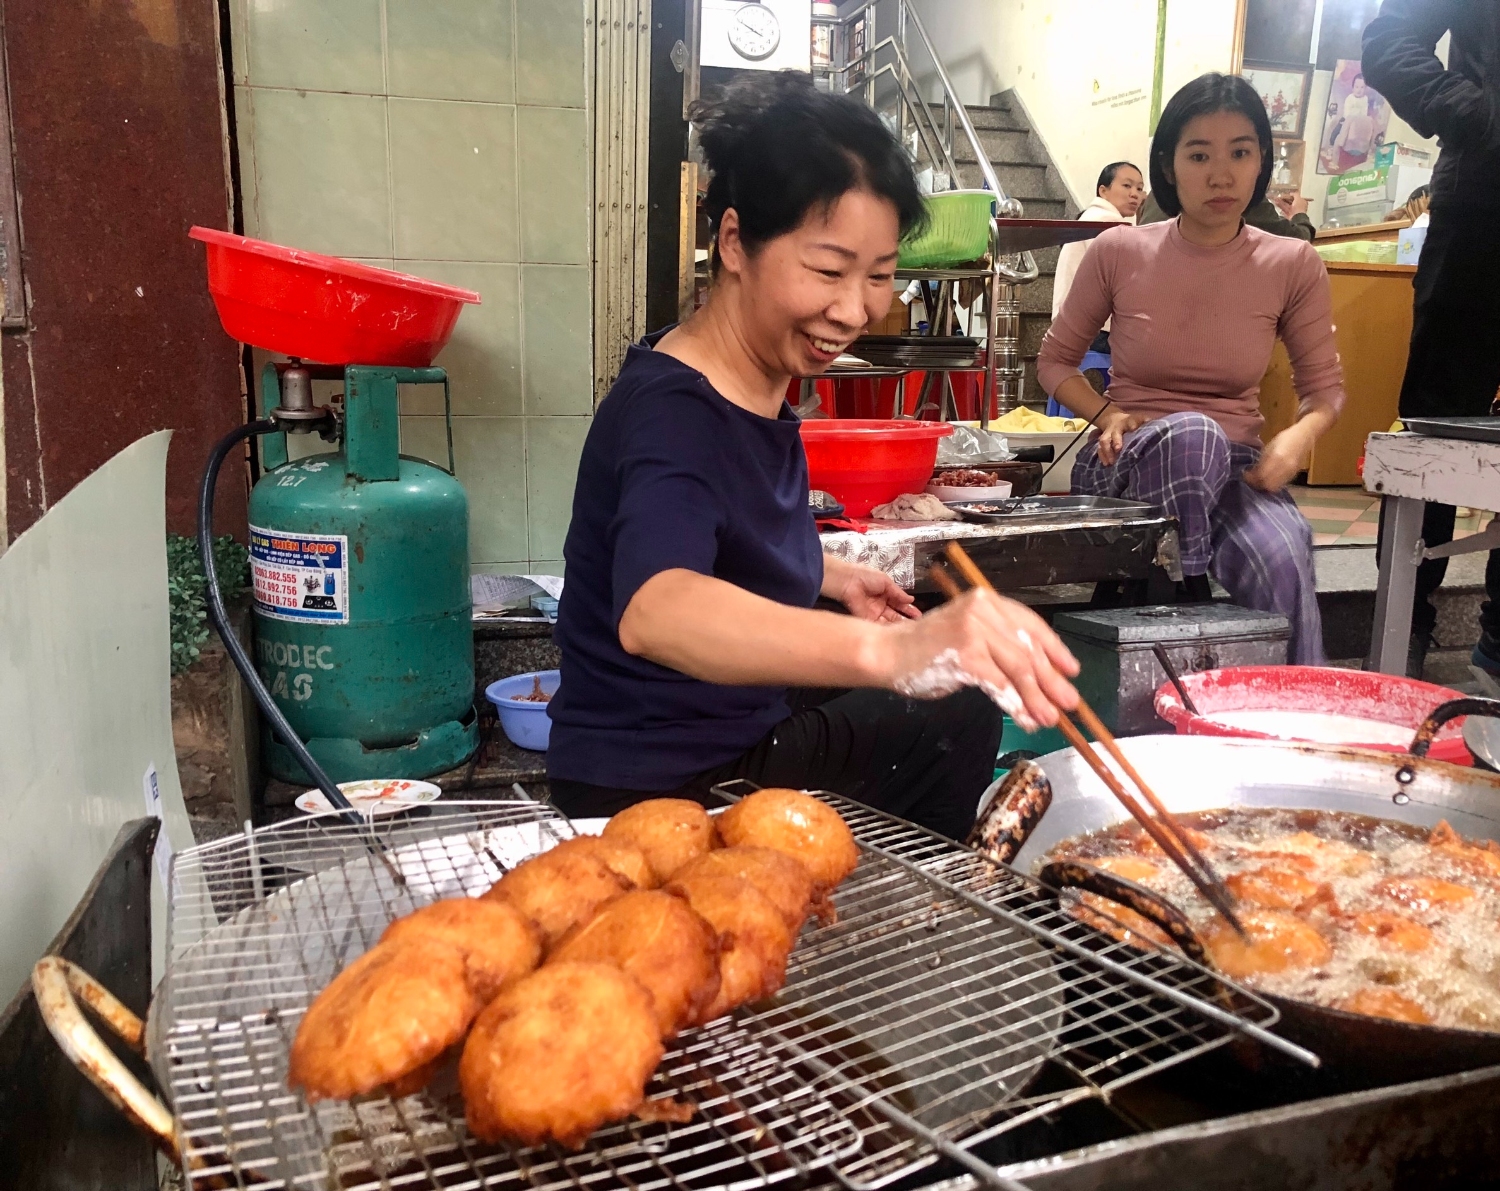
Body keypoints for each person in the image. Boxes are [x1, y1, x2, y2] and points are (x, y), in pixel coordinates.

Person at [544, 72, 1080, 839]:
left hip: (709, 732)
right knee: (952, 708)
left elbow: (718, 532)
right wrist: (893, 650)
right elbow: (657, 610)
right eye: (828, 270)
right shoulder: (675, 413)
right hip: (660, 790)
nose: (855, 308)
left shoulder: (753, 376)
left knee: (930, 668)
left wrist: (825, 574)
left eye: (881, 276)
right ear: (734, 242)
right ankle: (915, 914)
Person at [1036, 73, 1346, 664]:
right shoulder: (1118, 250)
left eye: (1240, 152)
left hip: (1236, 470)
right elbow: (1054, 361)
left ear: (1262, 163)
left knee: (1284, 551)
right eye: (1199, 154)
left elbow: (1324, 391)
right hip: (1124, 465)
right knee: (1191, 432)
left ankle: (1296, 713)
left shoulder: (1292, 262)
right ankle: (1189, 594)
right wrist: (1105, 413)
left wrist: (1298, 438)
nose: (1221, 174)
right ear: (1169, 166)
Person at [1363, 2, 1500, 677]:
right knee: (1434, 425)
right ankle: (1400, 636)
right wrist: (1475, 113)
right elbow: (1389, 40)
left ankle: (1498, 646)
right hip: (1482, 202)